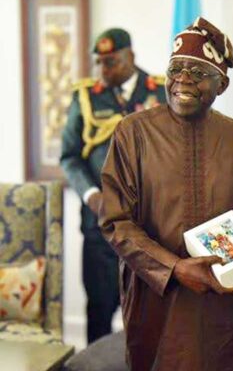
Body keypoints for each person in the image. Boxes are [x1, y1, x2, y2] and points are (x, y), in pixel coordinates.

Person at [99, 17, 233, 370]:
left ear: (222, 84)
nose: (183, 79)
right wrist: (175, 268)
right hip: (155, 304)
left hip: (223, 308)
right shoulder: (133, 133)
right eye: (175, 69)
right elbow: (116, 222)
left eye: (197, 72)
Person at [61, 28, 166, 343]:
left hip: (149, 225)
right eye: (99, 62)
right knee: (99, 308)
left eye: (111, 62)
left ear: (130, 56)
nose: (103, 70)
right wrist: (91, 195)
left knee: (149, 312)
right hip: (101, 224)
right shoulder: (85, 97)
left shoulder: (161, 93)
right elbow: (69, 157)